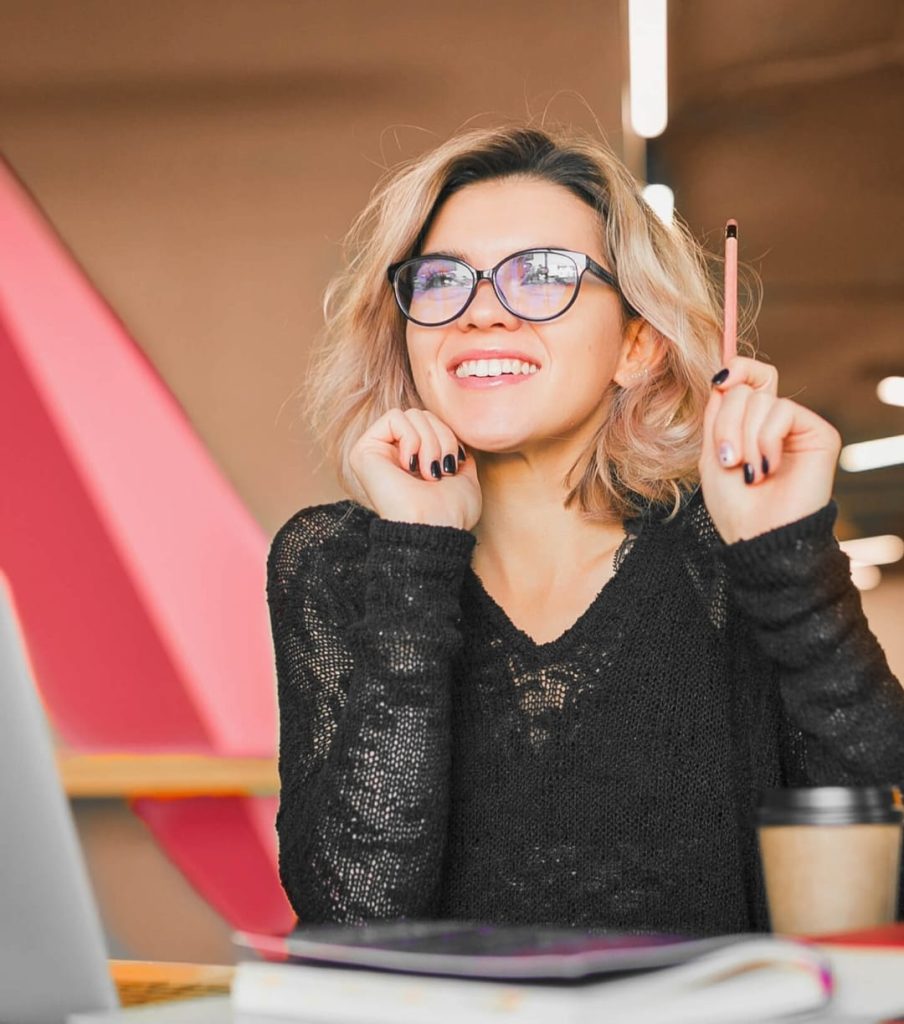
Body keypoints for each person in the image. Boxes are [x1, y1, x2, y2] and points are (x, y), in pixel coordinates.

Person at [267, 122, 904, 935]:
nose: (481, 314)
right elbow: (353, 914)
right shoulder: (337, 563)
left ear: (637, 344)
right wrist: (416, 555)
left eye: (542, 275)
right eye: (442, 279)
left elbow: (882, 875)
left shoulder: (726, 556)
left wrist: (788, 565)